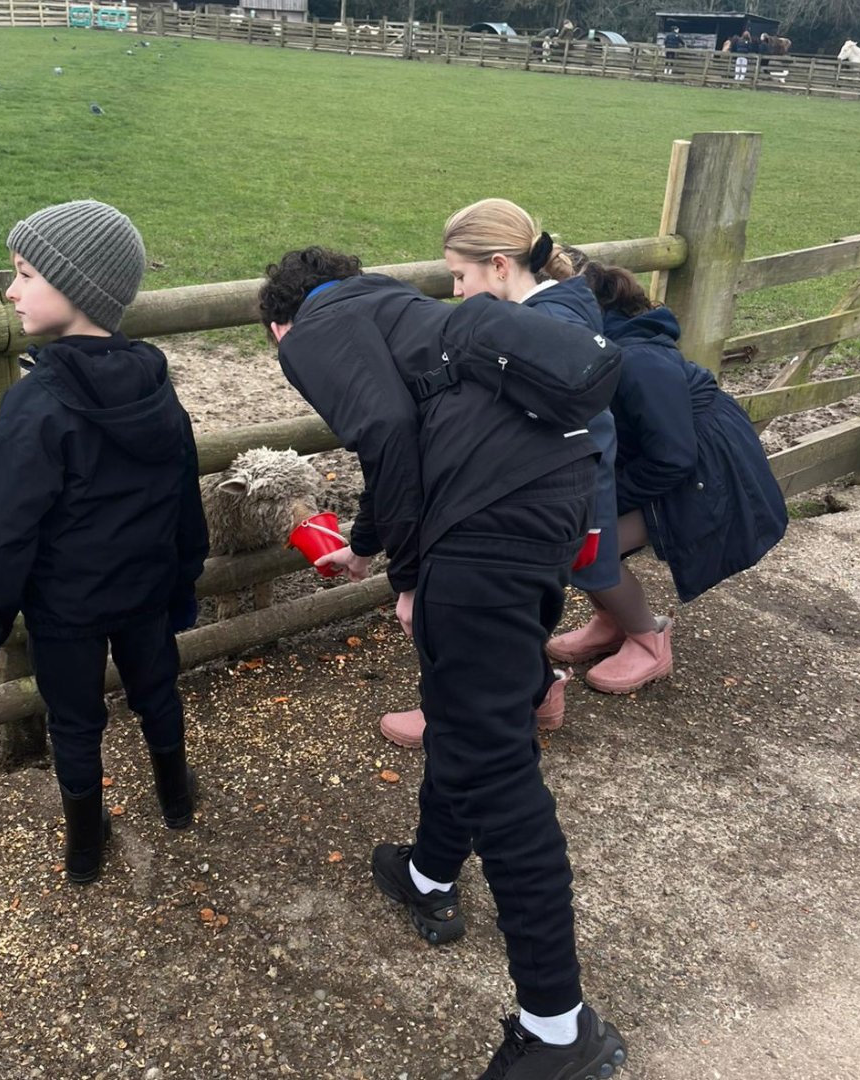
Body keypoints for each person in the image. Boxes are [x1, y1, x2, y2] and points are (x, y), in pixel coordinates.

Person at [259, 246, 626, 1080]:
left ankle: (559, 1027)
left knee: (494, 758)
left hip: (486, 515)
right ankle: (428, 874)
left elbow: (385, 430)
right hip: (553, 487)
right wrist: (372, 543)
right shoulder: (393, 305)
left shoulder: (307, 332)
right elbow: (420, 428)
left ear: (280, 320)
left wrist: (412, 576)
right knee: (473, 707)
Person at [0, 200, 209, 885]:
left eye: (26, 273)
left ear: (78, 287)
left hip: (66, 607)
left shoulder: (39, 404)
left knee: (74, 719)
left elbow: (1, 526)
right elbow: (184, 484)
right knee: (158, 688)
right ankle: (176, 797)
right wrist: (184, 576)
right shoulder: (157, 383)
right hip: (148, 591)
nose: (11, 290)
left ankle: (86, 846)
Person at [380, 198, 620, 748]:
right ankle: (538, 692)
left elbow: (584, 428)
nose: (457, 292)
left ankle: (454, 712)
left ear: (499, 264)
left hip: (535, 506)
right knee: (515, 616)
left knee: (490, 613)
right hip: (558, 506)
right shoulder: (550, 317)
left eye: (460, 276)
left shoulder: (537, 331)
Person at [546, 258, 788, 692]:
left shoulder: (639, 360)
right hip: (666, 458)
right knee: (580, 532)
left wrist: (604, 499)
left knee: (587, 542)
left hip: (701, 469)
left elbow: (674, 457)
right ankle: (612, 622)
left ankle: (648, 638)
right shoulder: (605, 344)